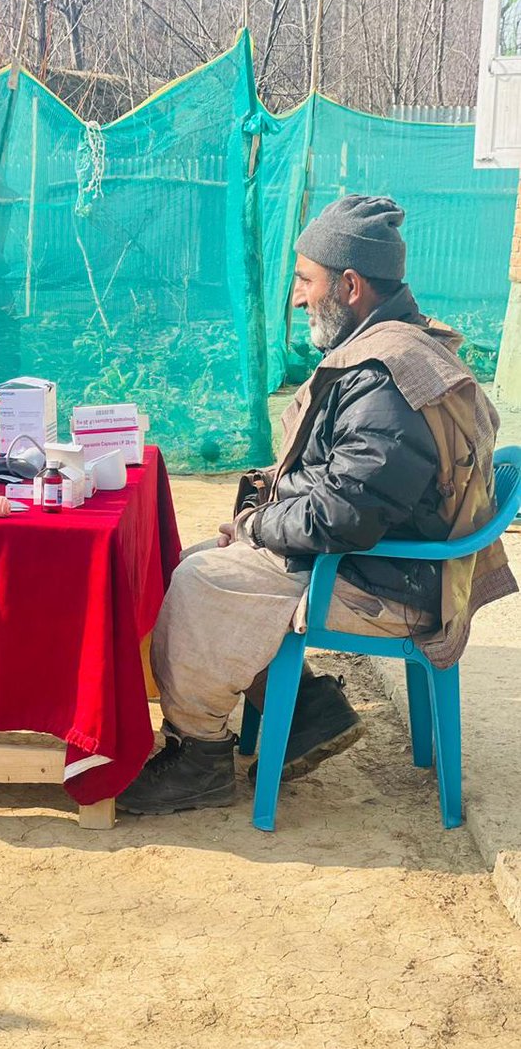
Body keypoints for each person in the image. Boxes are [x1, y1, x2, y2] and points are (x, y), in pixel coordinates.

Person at [118, 194, 517, 816]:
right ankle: (309, 709)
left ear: (350, 284)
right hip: (382, 563)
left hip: (391, 586)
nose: (298, 298)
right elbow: (341, 491)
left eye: (305, 280)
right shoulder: (389, 349)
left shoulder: (389, 377)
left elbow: (345, 516)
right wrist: (260, 529)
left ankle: (199, 757)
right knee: (206, 562)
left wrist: (257, 525)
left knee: (200, 580)